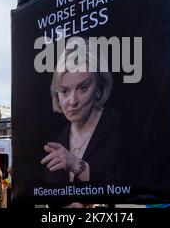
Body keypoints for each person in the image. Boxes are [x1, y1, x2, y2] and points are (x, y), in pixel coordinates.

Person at [41, 37, 122, 183]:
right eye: (64, 91)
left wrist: (76, 165)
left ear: (99, 87)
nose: (72, 101)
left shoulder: (122, 129)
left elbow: (133, 186)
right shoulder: (56, 142)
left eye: (83, 88)